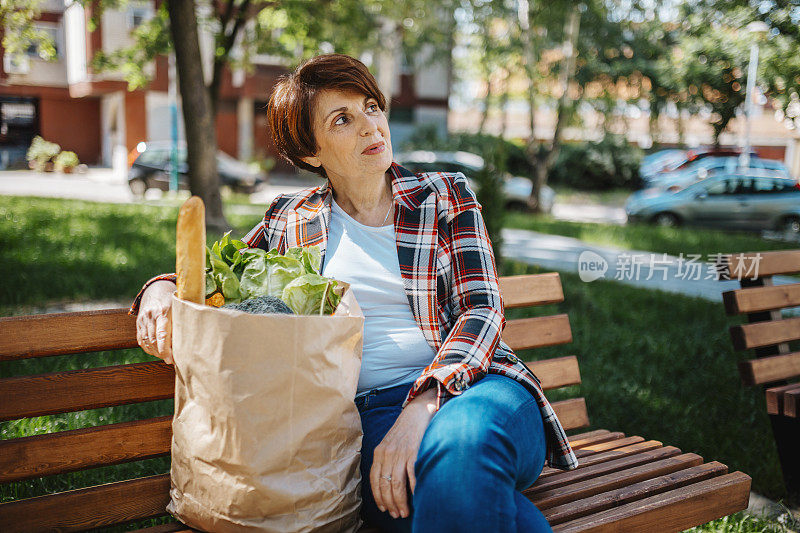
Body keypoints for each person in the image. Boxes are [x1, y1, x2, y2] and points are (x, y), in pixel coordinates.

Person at [131, 53, 577, 533]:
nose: (371, 126)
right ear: (310, 152)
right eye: (342, 119)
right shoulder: (290, 218)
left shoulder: (445, 196)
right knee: (465, 496)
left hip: (480, 393)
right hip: (366, 423)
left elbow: (482, 309)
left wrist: (423, 404)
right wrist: (161, 288)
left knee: (462, 445)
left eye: (370, 106)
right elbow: (220, 278)